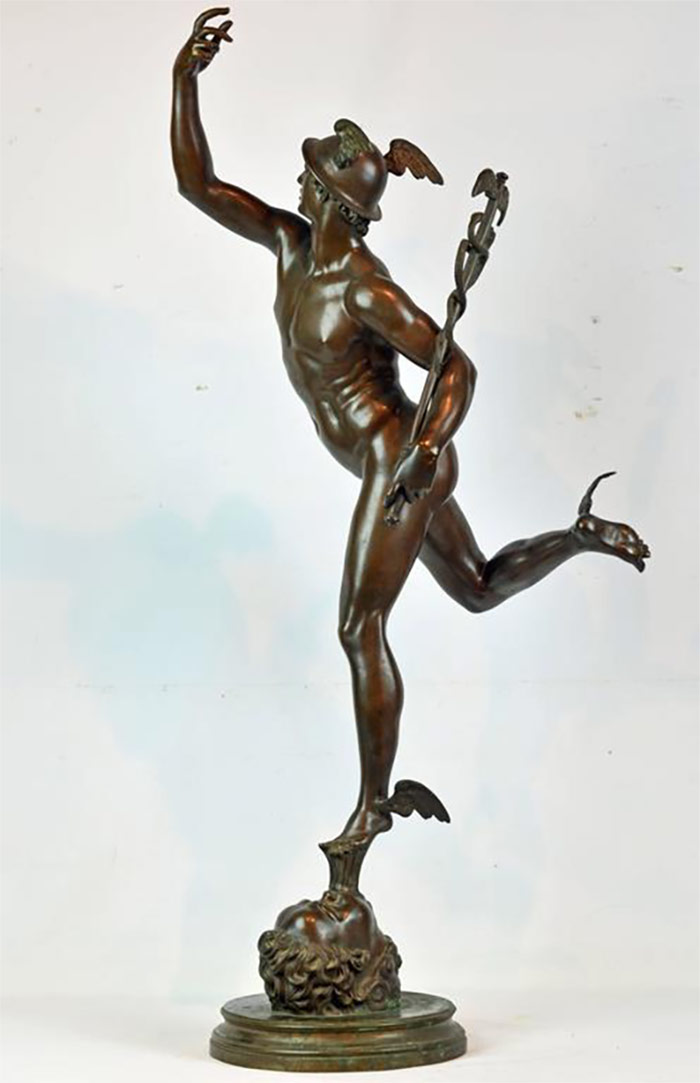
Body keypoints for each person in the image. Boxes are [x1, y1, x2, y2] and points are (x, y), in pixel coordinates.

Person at [171, 8, 650, 845]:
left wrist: (427, 449)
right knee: (477, 587)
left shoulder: (366, 288)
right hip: (394, 461)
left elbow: (456, 366)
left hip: (398, 458)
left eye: (308, 176)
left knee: (359, 626)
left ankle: (370, 807)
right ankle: (578, 535)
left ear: (330, 196)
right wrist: (184, 80)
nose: (295, 185)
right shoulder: (287, 245)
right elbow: (197, 185)